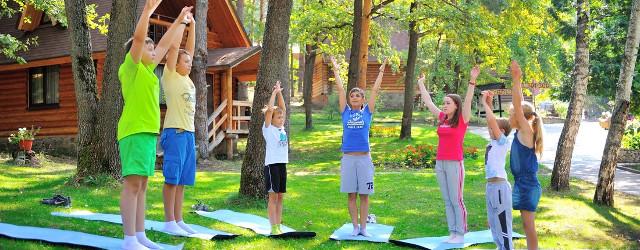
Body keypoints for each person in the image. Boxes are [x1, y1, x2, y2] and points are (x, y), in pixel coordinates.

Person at [117, 0, 193, 248]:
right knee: (133, 184)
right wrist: (147, 12)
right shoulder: (131, 69)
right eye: (148, 50)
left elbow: (164, 44)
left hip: (148, 133)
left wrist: (180, 21)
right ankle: (129, 239)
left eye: (153, 50)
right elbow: (139, 41)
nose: (153, 52)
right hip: (134, 131)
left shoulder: (149, 73)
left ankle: (139, 236)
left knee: (143, 185)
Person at [416, 65, 480, 244]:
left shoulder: (462, 120)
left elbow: (467, 101)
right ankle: (452, 231)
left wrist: (472, 80)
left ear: (456, 105)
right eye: (443, 103)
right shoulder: (443, 118)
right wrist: (421, 84)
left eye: (447, 103)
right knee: (446, 199)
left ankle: (461, 233)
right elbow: (428, 103)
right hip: (440, 163)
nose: (444, 105)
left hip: (454, 163)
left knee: (456, 199)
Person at [328, 55, 386, 237]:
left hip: (364, 158)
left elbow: (375, 90)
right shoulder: (345, 111)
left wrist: (382, 69)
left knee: (364, 195)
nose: (354, 97)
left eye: (358, 95)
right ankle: (355, 227)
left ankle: (364, 228)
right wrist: (336, 69)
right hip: (348, 159)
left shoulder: (367, 112)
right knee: (351, 194)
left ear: (362, 100)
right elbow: (339, 88)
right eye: (352, 95)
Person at [160, 11, 197, 236]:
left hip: (189, 134)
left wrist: (192, 26)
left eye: (190, 61)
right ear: (176, 63)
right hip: (175, 132)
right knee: (172, 179)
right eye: (186, 61)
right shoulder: (171, 75)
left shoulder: (187, 77)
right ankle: (168, 221)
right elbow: (176, 49)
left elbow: (189, 50)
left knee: (182, 180)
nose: (189, 63)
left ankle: (178, 219)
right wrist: (182, 22)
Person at [509, 60, 544, 250]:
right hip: (522, 183)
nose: (509, 117)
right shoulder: (520, 132)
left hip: (528, 185)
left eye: (512, 114)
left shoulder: (526, 132)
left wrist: (516, 79)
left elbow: (517, 102)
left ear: (520, 117)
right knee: (526, 225)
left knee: (529, 226)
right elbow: (519, 103)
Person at [480, 90, 514, 250]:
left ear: (502, 132)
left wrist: (485, 104)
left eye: (494, 128)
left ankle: (507, 248)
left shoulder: (503, 142)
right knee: (493, 223)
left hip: (500, 187)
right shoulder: (493, 142)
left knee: (502, 222)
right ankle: (499, 247)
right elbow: (491, 121)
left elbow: (492, 122)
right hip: (491, 187)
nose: (490, 129)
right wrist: (489, 102)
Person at [262, 81, 288, 235]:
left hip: (282, 165)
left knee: (280, 197)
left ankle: (278, 225)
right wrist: (273, 93)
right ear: (271, 118)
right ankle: (273, 227)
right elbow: (271, 109)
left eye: (282, 117)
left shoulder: (282, 128)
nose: (281, 118)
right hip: (271, 166)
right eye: (278, 117)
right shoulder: (268, 129)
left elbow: (282, 108)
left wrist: (280, 93)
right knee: (273, 197)